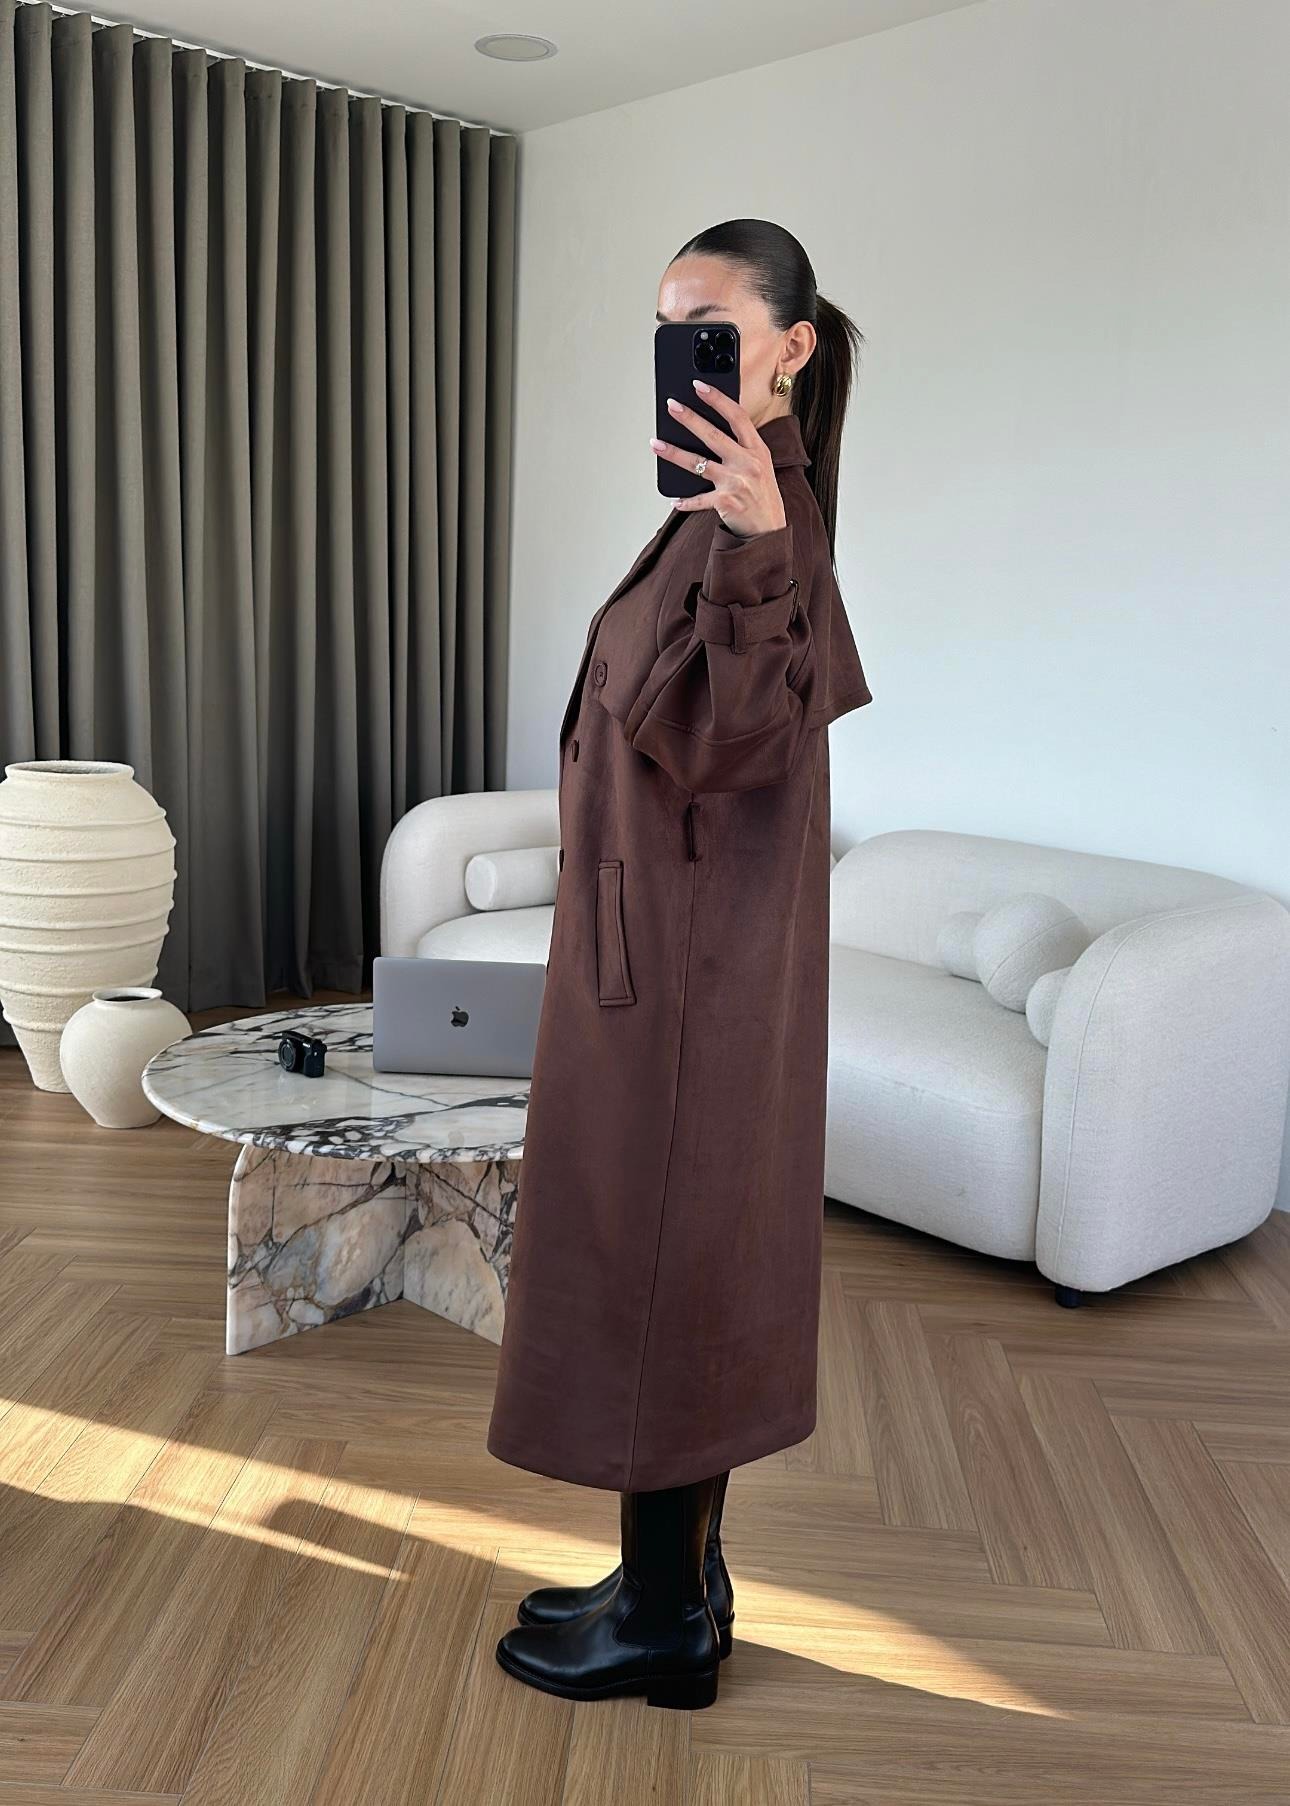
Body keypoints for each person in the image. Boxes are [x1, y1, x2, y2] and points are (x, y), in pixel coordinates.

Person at [488, 218, 874, 1711]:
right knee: (658, 1257)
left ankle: (662, 1622)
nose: (680, 353)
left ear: (789, 349)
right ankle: (676, 1577)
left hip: (688, 982)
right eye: (666, 328)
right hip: (658, 949)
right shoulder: (718, 511)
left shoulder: (769, 524)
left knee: (662, 1266)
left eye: (708, 325)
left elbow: (733, 742)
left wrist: (759, 545)